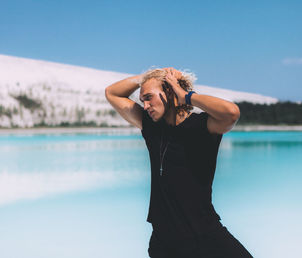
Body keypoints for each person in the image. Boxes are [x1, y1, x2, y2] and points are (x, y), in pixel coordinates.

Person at [105, 67, 253, 258]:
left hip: (204, 236)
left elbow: (231, 113)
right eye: (143, 100)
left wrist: (186, 96)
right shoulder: (151, 126)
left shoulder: (202, 126)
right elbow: (112, 93)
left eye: (149, 97)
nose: (146, 105)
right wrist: (146, 77)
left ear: (169, 91)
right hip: (164, 243)